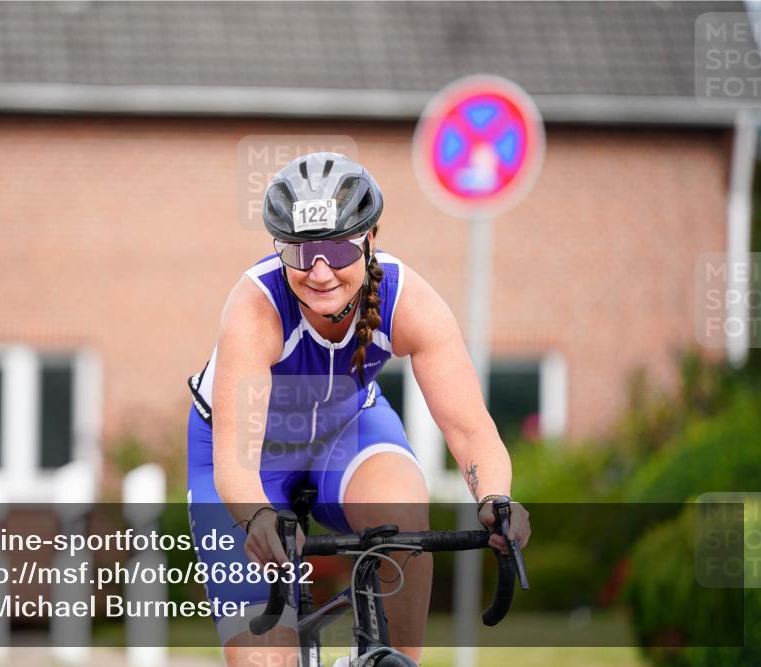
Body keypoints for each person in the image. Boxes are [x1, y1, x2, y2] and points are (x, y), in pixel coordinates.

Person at [187, 152, 530, 666]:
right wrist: (257, 516)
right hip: (250, 458)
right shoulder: (255, 306)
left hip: (346, 433)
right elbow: (236, 460)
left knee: (403, 517)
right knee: (265, 659)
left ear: (371, 239)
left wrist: (497, 498)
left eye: (337, 249)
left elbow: (469, 428)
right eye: (301, 253)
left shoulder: (406, 299)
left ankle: (393, 659)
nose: (319, 271)